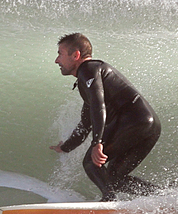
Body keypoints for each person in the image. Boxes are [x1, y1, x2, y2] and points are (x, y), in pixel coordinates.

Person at [49, 32, 161, 201]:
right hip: (149, 125)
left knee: (90, 162)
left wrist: (97, 143)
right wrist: (66, 147)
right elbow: (87, 121)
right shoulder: (90, 78)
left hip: (134, 121)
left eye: (60, 54)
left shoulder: (88, 69)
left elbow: (97, 105)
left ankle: (109, 200)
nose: (57, 60)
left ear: (76, 55)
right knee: (114, 178)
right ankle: (164, 197)